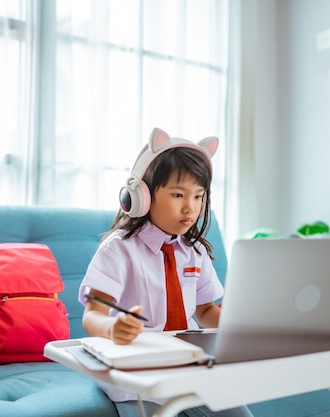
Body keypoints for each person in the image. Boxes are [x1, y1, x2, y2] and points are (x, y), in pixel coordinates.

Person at [79, 127, 254, 417]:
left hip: (187, 366)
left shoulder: (194, 250)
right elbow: (92, 315)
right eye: (178, 194)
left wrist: (244, 324)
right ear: (141, 196)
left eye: (199, 197)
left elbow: (207, 310)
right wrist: (112, 328)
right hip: (135, 373)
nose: (191, 208)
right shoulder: (119, 249)